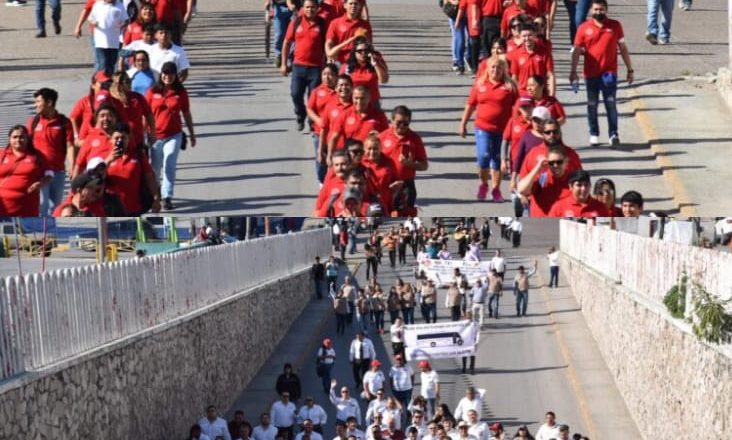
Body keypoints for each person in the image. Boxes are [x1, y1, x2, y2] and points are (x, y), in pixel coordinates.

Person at [569, 0, 634, 148]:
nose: (598, 12)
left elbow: (623, 48)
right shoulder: (583, 28)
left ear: (606, 10)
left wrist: (630, 70)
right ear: (591, 11)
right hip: (590, 74)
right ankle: (594, 133)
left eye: (601, 9)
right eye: (596, 9)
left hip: (609, 73)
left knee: (610, 104)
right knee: (592, 105)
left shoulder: (615, 26)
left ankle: (613, 134)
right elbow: (577, 51)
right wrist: (573, 71)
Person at [459, 56, 517, 202]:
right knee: (484, 156)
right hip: (483, 128)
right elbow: (470, 105)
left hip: (502, 130)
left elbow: (518, 108)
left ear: (504, 69)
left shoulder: (510, 87)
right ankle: (484, 183)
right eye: (492, 67)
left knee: (497, 160)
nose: (495, 70)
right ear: (487, 69)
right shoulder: (479, 85)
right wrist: (463, 123)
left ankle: (496, 189)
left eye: (498, 67)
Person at [145, 61, 196, 211]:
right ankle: (157, 191)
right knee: (155, 168)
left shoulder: (180, 93)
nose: (168, 76)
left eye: (171, 74)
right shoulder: (152, 91)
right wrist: (143, 134)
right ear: (161, 74)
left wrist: (192, 134)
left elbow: (186, 113)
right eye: (165, 73)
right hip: (155, 136)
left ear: (176, 75)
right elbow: (145, 114)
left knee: (170, 163)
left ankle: (167, 196)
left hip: (174, 134)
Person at [95, 122, 161, 214]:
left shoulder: (138, 155)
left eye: (123, 138)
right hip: (110, 208)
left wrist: (155, 197)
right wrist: (109, 160)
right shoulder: (103, 156)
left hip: (134, 207)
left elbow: (149, 177)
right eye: (116, 138)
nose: (120, 141)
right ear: (110, 139)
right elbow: (96, 177)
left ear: (129, 139)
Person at [27, 87, 74, 216]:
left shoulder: (64, 122)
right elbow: (27, 145)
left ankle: (52, 229)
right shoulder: (33, 122)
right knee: (42, 204)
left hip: (58, 170)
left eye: (38, 102)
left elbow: (70, 146)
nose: (35, 105)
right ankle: (41, 227)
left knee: (56, 206)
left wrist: (72, 166)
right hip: (39, 171)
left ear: (49, 102)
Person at [281, 0, 326, 131]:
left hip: (316, 68)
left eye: (313, 7)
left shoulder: (322, 24)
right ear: (303, 8)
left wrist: (328, 63)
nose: (310, 10)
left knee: (313, 98)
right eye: (307, 7)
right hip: (298, 66)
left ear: (318, 8)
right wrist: (284, 64)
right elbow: (287, 42)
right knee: (295, 94)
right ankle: (300, 115)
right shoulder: (296, 22)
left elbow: (327, 44)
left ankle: (313, 122)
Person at [0, 125, 53, 216]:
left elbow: (50, 174)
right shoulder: (2, 155)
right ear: (9, 139)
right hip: (3, 206)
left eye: (21, 137)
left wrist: (41, 183)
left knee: (26, 230)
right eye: (15, 137)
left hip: (28, 206)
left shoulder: (37, 156)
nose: (18, 140)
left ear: (27, 138)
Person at [307, 64, 339, 184]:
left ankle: (335, 181)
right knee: (320, 158)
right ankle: (322, 182)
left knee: (335, 158)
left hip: (336, 133)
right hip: (319, 132)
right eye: (324, 74)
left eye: (330, 74)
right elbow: (310, 109)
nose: (327, 77)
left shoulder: (340, 91)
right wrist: (318, 120)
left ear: (336, 76)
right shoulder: (317, 91)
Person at [509, 24, 555, 96]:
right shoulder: (516, 53)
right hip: (523, 94)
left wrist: (552, 95)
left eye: (530, 35)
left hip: (540, 94)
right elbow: (514, 77)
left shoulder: (545, 52)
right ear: (520, 36)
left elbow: (550, 75)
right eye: (524, 36)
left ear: (535, 35)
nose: (527, 38)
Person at [325, 0, 372, 64]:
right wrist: (329, 55)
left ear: (359, 6)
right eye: (351, 3)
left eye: (355, 4)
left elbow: (369, 44)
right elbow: (329, 42)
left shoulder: (365, 24)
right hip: (340, 62)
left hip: (358, 63)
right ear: (345, 5)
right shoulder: (335, 23)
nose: (353, 6)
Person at [88, 0, 129, 75]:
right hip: (101, 41)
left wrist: (122, 25)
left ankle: (109, 82)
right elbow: (91, 18)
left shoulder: (119, 5)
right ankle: (100, 82)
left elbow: (126, 20)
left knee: (111, 63)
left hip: (114, 41)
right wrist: (94, 23)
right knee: (102, 63)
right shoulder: (98, 4)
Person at [389, 354, 414, 419]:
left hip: (407, 391)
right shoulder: (393, 369)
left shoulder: (408, 367)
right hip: (397, 391)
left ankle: (409, 419)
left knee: (408, 407)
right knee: (399, 408)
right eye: (398, 359)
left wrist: (411, 385)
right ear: (396, 360)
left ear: (403, 360)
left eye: (400, 359)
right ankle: (400, 419)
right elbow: (391, 379)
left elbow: (412, 375)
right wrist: (392, 388)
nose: (399, 361)